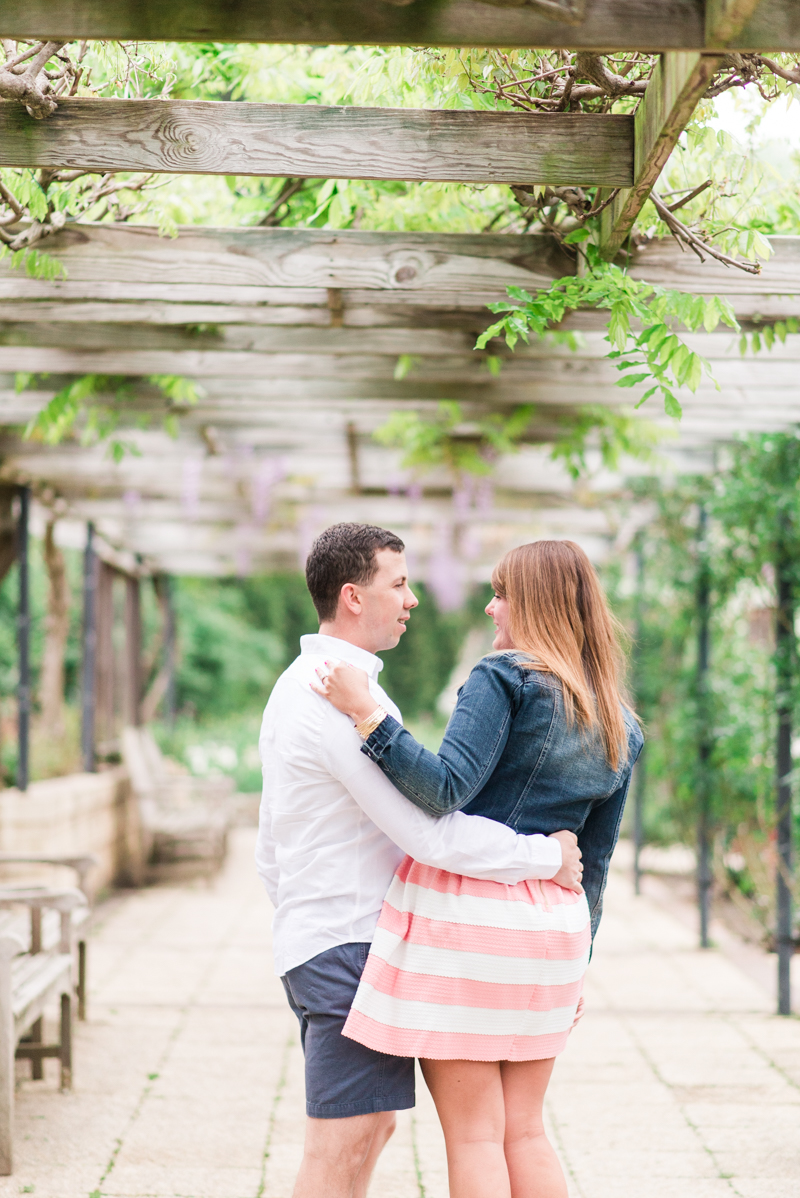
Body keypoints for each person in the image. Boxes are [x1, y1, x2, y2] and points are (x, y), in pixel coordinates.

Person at [256, 524, 583, 1198]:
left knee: (365, 1132)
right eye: (398, 584)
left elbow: (269, 845)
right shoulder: (331, 698)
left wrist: (299, 925)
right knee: (345, 1142)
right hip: (345, 943)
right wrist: (544, 855)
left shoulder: (318, 686)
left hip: (331, 938)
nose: (412, 600)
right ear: (352, 596)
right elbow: (429, 834)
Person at [313, 538, 644, 1198]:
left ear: (538, 605)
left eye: (503, 594)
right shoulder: (621, 723)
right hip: (553, 936)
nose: (493, 608)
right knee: (525, 1131)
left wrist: (367, 713)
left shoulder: (503, 678)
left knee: (474, 1137)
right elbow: (597, 864)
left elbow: (443, 790)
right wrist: (577, 967)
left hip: (469, 924)